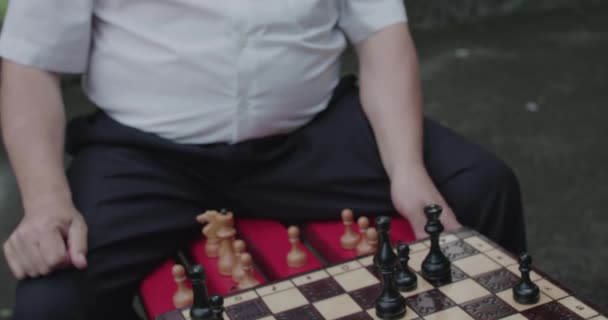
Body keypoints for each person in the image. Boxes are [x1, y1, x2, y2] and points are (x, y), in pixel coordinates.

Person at [0, 1, 526, 319]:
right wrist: (46, 200)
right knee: (54, 304)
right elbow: (30, 63)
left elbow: (381, 33)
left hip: (311, 134)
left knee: (477, 186)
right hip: (145, 155)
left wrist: (406, 168)